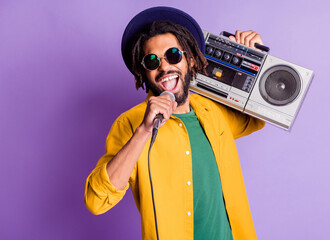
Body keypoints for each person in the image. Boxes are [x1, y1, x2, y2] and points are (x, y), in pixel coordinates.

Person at [84, 6, 265, 240]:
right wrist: (144, 131)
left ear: (189, 60)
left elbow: (256, 117)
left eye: (173, 55)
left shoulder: (213, 113)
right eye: (152, 61)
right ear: (143, 72)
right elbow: (96, 201)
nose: (164, 67)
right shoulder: (130, 124)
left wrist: (254, 59)